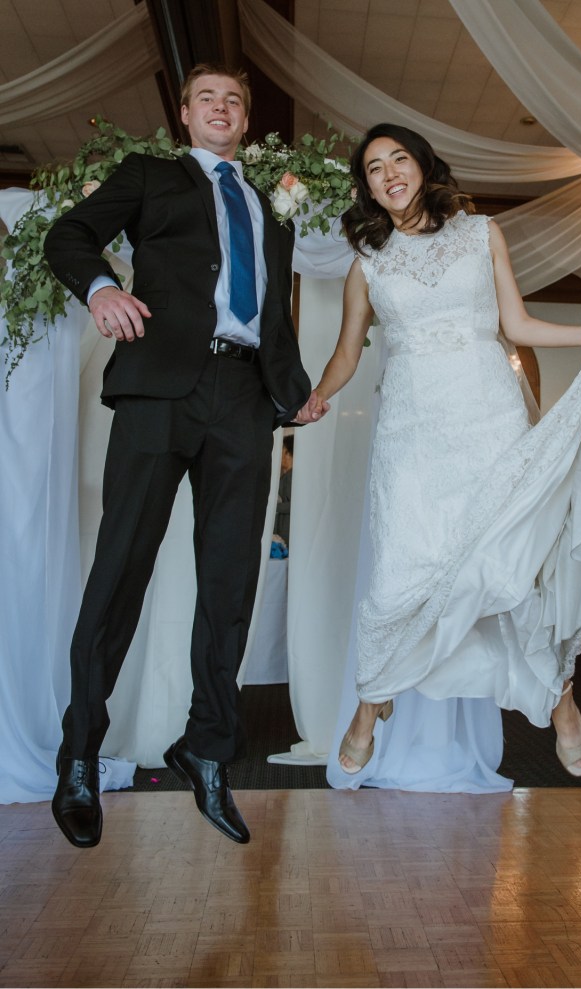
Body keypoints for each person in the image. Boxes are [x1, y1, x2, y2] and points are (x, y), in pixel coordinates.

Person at [296, 122, 581, 786]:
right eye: (374, 168)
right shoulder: (367, 264)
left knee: (513, 568)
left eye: (399, 158)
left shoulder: (482, 233)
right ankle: (371, 706)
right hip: (411, 430)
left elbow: (514, 325)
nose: (390, 172)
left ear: (423, 167)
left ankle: (562, 701)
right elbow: (347, 354)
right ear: (367, 188)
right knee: (402, 571)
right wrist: (316, 396)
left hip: (488, 417)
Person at [44, 63, 311, 847]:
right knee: (121, 568)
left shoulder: (272, 207)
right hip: (160, 389)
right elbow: (70, 234)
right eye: (207, 99)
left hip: (243, 403)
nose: (221, 108)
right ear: (186, 118)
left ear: (245, 120)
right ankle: (80, 755)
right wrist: (99, 288)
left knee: (231, 581)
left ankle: (206, 746)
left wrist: (293, 391)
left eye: (234, 100)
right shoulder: (150, 176)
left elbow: (275, 316)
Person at [274, 434, 294, 545]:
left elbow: (295, 504)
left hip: (287, 531)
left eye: (281, 450)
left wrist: (272, 507)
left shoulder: (292, 476)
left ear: (287, 452)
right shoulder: (286, 476)